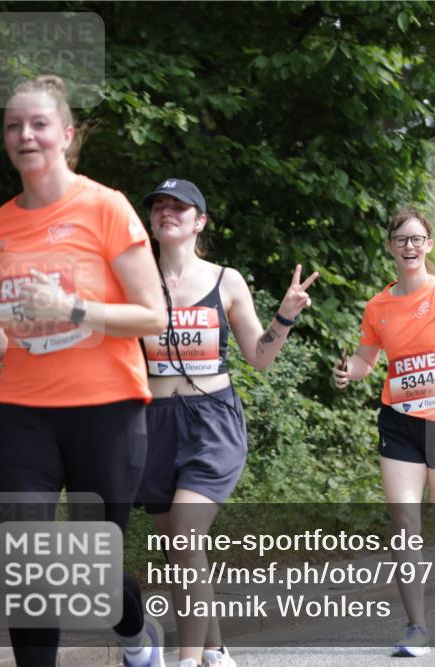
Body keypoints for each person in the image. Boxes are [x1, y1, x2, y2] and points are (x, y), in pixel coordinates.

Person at [0, 75, 168, 667]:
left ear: (67, 135)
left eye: (39, 124)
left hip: (108, 409)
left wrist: (73, 308)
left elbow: (152, 315)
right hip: (22, 412)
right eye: (14, 125)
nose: (25, 134)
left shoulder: (105, 207)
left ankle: (134, 632)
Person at [136, 179, 318, 667]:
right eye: (159, 206)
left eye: (179, 207)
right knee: (179, 549)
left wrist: (284, 317)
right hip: (153, 424)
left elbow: (259, 357)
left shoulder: (226, 280)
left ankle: (187, 660)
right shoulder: (134, 281)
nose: (167, 212)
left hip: (211, 423)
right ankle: (215, 650)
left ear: (200, 221)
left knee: (184, 537)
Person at [332, 179, 435, 657]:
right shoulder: (378, 306)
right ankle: (416, 628)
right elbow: (367, 359)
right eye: (401, 239)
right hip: (400, 421)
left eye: (417, 238)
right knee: (404, 524)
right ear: (390, 247)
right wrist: (350, 371)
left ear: (428, 245)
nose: (409, 246)